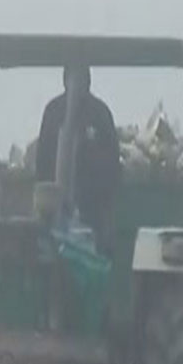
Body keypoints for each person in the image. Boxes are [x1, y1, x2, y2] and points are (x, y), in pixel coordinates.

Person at [36, 65, 120, 241]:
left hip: (91, 205)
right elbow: (42, 157)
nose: (77, 85)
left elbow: (113, 160)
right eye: (72, 79)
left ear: (89, 82)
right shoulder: (53, 111)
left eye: (82, 79)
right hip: (53, 207)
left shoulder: (99, 112)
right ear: (64, 81)